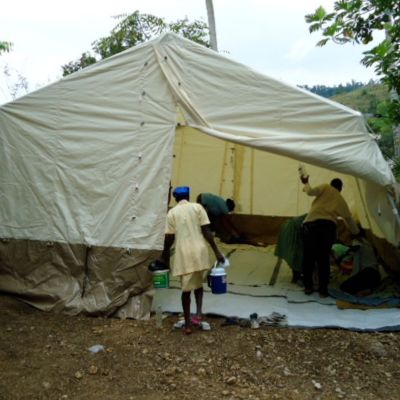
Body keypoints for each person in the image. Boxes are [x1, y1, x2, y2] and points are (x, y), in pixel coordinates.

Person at [160, 186, 225, 335]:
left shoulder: (172, 213)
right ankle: (199, 313)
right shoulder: (198, 208)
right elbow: (207, 232)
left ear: (175, 198)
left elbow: (169, 238)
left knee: (186, 290)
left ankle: (188, 324)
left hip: (184, 253)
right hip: (200, 250)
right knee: (197, 283)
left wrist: (164, 256)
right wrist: (217, 251)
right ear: (189, 196)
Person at [300, 175, 359, 297]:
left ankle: (308, 287)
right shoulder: (341, 200)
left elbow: (310, 191)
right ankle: (323, 290)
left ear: (331, 184)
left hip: (311, 225)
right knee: (323, 260)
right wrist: (357, 233)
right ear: (341, 188)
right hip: (327, 228)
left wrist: (306, 183)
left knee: (309, 258)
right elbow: (349, 220)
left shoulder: (325, 187)